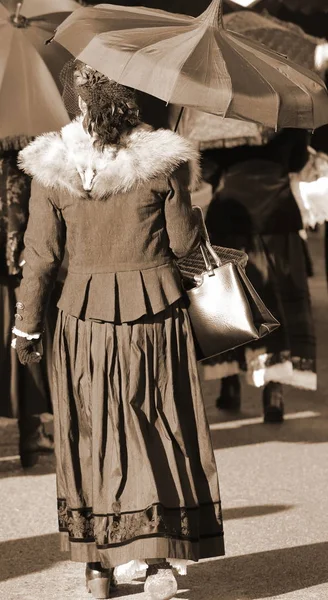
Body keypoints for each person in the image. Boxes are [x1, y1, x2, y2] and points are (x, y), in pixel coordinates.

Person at [12, 63, 224, 600]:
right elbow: (181, 246)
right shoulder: (163, 160)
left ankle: (98, 569)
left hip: (84, 322)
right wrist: (189, 201)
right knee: (159, 426)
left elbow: (39, 257)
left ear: (77, 105)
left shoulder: (52, 165)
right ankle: (157, 566)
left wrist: (26, 327)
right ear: (129, 101)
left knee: (94, 434)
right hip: (155, 316)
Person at [202, 128, 317, 423]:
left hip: (231, 216)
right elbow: (296, 161)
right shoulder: (282, 112)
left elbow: (206, 167)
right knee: (275, 300)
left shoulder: (214, 117)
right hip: (276, 218)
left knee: (231, 300)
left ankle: (230, 383)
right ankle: (273, 390)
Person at [0, 143, 55, 468]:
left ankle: (33, 431)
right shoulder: (27, 164)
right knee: (26, 340)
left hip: (15, 274)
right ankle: (31, 432)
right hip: (21, 273)